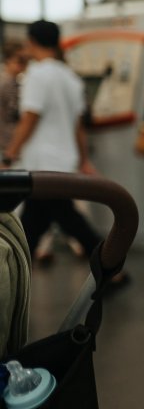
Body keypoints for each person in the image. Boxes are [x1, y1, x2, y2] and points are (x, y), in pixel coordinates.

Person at [1, 21, 103, 262]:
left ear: (32, 41)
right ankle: (17, 268)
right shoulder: (70, 77)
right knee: (38, 221)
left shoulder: (37, 74)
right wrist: (84, 159)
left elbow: (29, 118)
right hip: (63, 160)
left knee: (65, 220)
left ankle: (111, 264)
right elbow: (78, 125)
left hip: (42, 161)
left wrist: (9, 154)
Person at [0, 41, 27, 153]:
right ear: (8, 60)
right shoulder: (4, 82)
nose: (23, 65)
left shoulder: (14, 81)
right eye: (20, 61)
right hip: (5, 144)